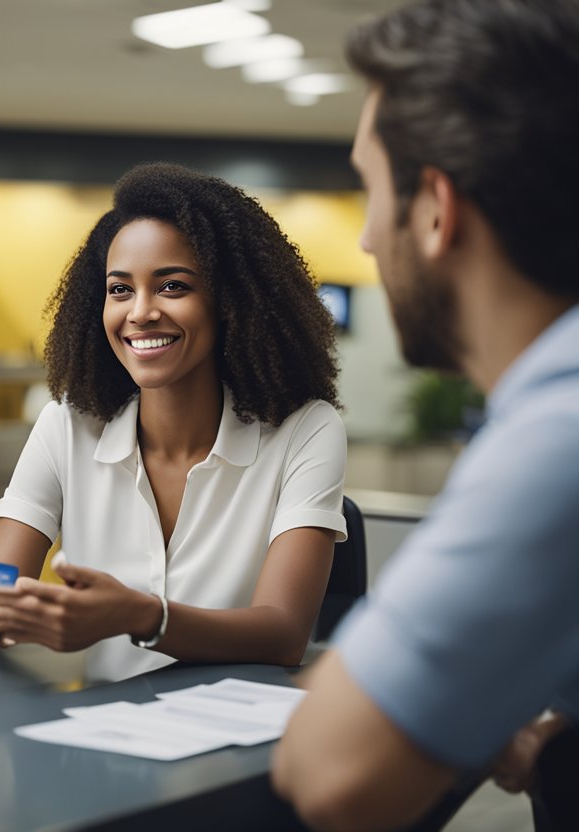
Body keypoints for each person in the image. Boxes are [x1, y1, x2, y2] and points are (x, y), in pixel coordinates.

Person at [270, 1, 579, 830]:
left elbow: (333, 770)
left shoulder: (560, 433)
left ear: (436, 209)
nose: (368, 240)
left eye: (371, 188)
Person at [0, 162, 348, 683]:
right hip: (103, 736)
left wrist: (140, 616)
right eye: (120, 290)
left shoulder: (306, 430)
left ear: (229, 303)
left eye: (172, 286)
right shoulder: (66, 424)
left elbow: (283, 635)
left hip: (234, 741)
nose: (140, 312)